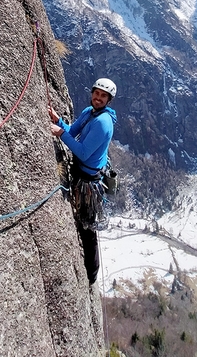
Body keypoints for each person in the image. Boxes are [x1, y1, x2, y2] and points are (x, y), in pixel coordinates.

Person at [49, 78, 117, 284]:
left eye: (103, 96)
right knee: (84, 225)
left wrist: (60, 133)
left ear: (109, 100)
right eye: (96, 93)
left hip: (89, 181)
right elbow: (73, 131)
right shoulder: (89, 112)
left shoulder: (103, 123)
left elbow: (84, 152)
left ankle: (91, 274)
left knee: (88, 230)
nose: (98, 98)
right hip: (81, 174)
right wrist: (59, 121)